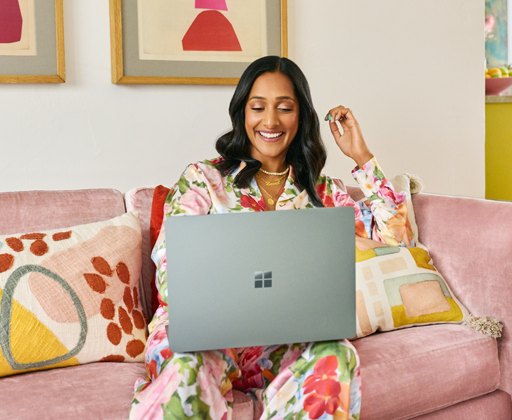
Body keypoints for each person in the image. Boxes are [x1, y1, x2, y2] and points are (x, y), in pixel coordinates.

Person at [130, 56, 411, 420]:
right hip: (202, 337)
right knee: (185, 369)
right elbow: (172, 271)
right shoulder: (202, 179)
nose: (270, 121)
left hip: (283, 341)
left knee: (337, 355)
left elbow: (394, 236)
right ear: (242, 113)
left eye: (285, 108)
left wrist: (362, 156)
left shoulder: (323, 193)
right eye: (258, 107)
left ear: (301, 117)